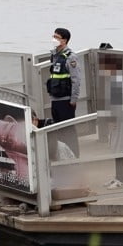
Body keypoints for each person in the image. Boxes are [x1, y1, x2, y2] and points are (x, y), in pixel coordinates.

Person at [46, 28, 82, 157]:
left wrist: (73, 100)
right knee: (59, 131)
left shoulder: (70, 57)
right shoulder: (55, 55)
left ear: (64, 40)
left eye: (57, 37)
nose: (54, 39)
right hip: (55, 100)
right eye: (53, 36)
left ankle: (74, 158)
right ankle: (64, 157)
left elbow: (76, 80)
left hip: (66, 100)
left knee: (68, 131)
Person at [100, 57, 123, 189]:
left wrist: (112, 120)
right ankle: (120, 176)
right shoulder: (114, 80)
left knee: (119, 148)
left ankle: (121, 179)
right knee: (117, 148)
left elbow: (117, 104)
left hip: (120, 120)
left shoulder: (117, 81)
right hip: (118, 119)